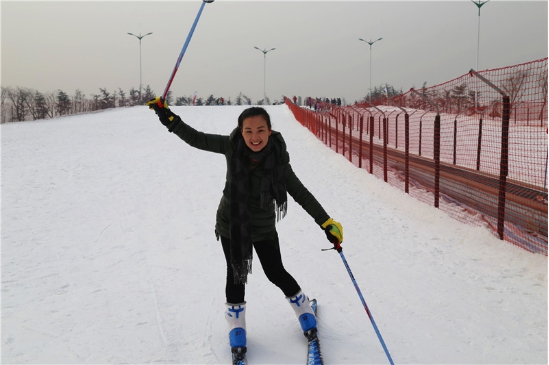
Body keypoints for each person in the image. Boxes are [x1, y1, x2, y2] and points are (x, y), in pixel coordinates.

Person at [146, 97, 343, 359]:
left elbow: (299, 192)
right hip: (232, 226)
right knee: (236, 275)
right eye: (248, 131)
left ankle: (304, 310)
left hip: (262, 228)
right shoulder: (231, 146)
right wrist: (167, 117)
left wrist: (326, 222)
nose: (254, 136)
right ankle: (237, 328)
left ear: (269, 131)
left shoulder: (278, 160)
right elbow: (196, 138)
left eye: (260, 130)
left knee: (276, 272)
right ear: (241, 132)